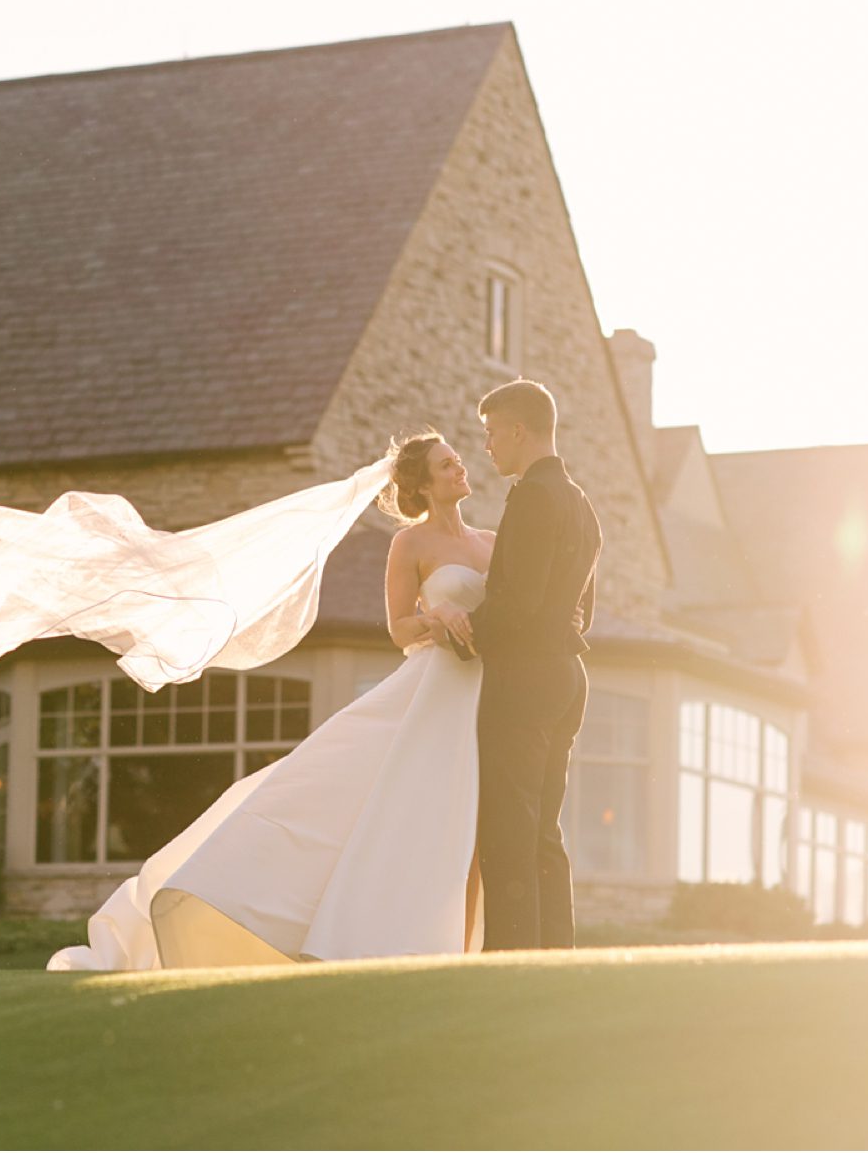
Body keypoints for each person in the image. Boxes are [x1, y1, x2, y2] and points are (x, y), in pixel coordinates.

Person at [46, 428, 496, 969]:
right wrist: (437, 616)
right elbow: (400, 629)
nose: (460, 468)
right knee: (368, 796)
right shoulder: (410, 545)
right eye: (446, 464)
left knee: (475, 824)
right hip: (432, 691)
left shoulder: (493, 542)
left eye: (457, 460)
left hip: (490, 690)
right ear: (423, 486)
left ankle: (472, 949)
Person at [439, 379, 603, 952]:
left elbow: (520, 602)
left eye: (490, 433)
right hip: (566, 677)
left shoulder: (533, 496)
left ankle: (510, 962)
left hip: (525, 680)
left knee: (509, 832)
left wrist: (462, 634)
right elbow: (582, 610)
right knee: (542, 832)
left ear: (517, 430)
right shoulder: (581, 503)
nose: (487, 446)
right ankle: (555, 960)